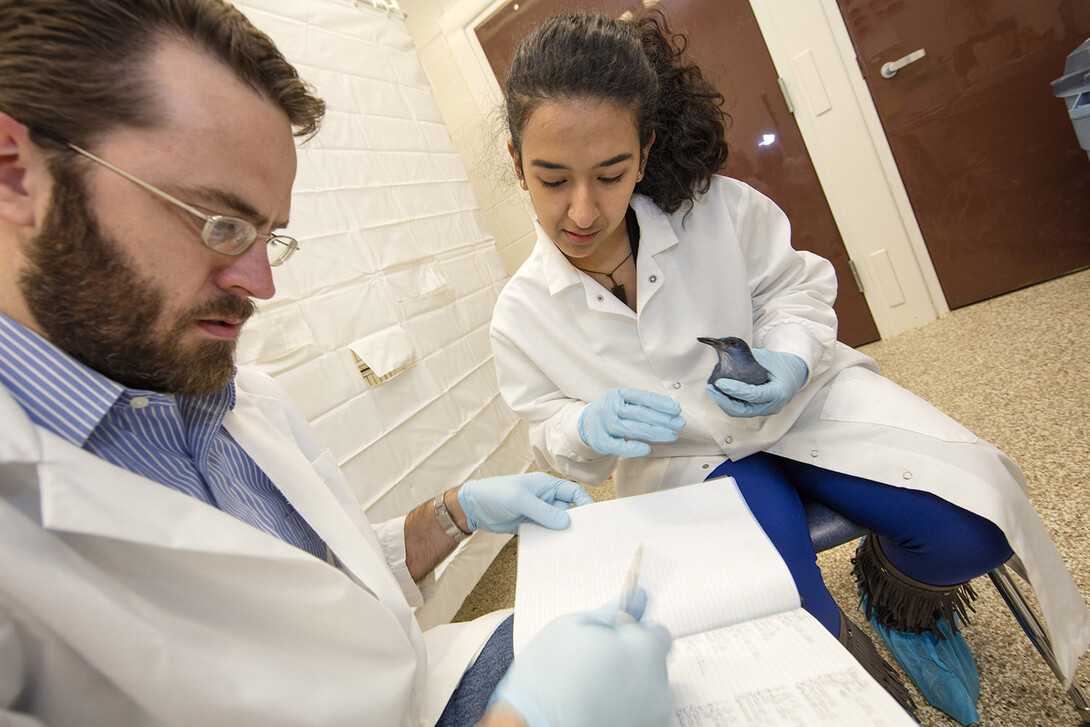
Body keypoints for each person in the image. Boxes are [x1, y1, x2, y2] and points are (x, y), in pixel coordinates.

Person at [0, 2, 675, 726]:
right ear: (15, 174)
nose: (261, 284)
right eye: (218, 223)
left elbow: (326, 602)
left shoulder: (233, 397)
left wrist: (454, 511)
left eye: (268, 234)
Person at [489, 10, 1090, 725]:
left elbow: (794, 288)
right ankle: (857, 680)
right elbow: (548, 431)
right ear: (517, 161)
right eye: (552, 179)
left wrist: (791, 356)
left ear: (644, 154)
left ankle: (900, 605)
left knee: (976, 523)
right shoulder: (520, 313)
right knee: (782, 603)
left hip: (806, 408)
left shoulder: (717, 209)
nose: (583, 210)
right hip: (690, 461)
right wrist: (582, 427)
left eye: (610, 174)